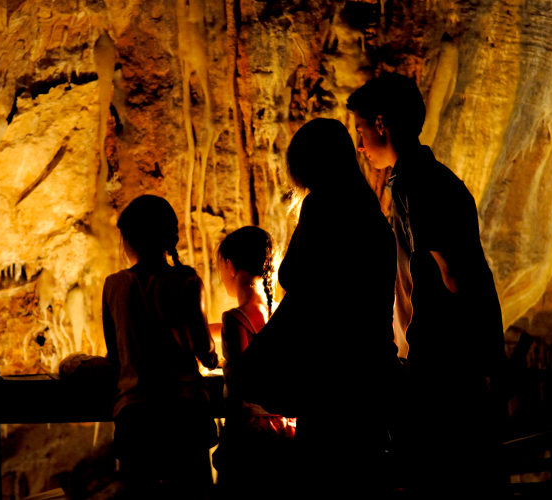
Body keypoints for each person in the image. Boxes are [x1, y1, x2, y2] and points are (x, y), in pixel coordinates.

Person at [348, 72, 507, 496]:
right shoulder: (425, 182)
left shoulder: (418, 187)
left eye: (361, 131)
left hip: (440, 366)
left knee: (438, 479)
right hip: (441, 360)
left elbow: (454, 273)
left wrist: (444, 354)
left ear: (381, 124)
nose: (360, 146)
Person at [237, 118, 401, 497]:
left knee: (322, 475)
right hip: (370, 368)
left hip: (329, 372)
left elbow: (296, 272)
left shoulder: (323, 205)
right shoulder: (371, 210)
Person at [101, 194, 219, 500]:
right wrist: (216, 358)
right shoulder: (186, 281)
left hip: (135, 414)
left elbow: (115, 355)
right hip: (185, 411)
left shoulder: (114, 286)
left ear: (128, 241)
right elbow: (205, 352)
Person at [211, 226, 296, 499]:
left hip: (249, 439)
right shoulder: (276, 313)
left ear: (229, 266)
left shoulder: (234, 319)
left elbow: (240, 385)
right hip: (284, 432)